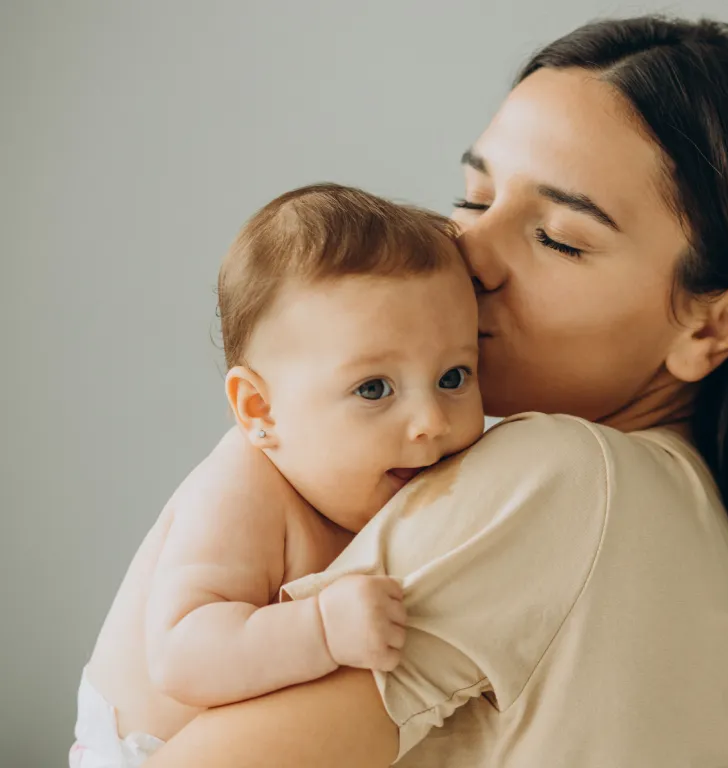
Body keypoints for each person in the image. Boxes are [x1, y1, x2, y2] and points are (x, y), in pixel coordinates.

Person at [145, 16, 728, 768]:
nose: (466, 253)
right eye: (474, 198)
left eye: (558, 237)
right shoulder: (679, 511)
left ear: (711, 327)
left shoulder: (565, 479)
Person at [73, 184, 485, 767]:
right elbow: (182, 655)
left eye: (454, 377)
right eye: (373, 388)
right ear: (259, 411)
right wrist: (319, 629)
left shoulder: (390, 481)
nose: (430, 422)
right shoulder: (243, 488)